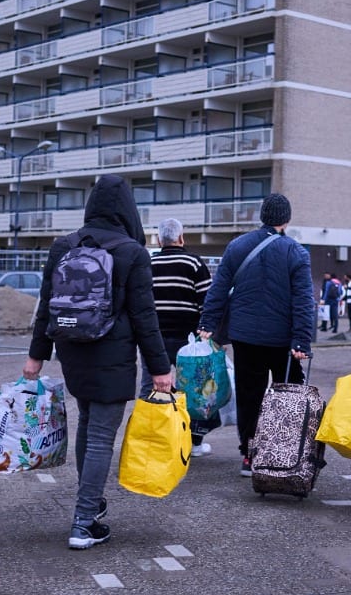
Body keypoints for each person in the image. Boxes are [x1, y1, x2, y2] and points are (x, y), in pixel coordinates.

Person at [25, 176, 173, 550]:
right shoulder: (132, 252)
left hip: (72, 349)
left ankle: (89, 504)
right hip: (112, 352)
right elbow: (145, 317)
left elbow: (46, 306)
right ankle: (84, 521)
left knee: (89, 426)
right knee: (101, 438)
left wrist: (36, 356)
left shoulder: (64, 245)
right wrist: (160, 367)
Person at [196, 192, 315, 476]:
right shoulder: (296, 252)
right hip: (283, 341)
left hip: (245, 336)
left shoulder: (237, 246)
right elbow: (303, 300)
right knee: (287, 394)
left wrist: (207, 323)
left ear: (263, 216)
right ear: (286, 220)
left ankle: (249, 454)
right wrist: (301, 339)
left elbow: (218, 289)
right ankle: (282, 453)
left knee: (250, 396)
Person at [143, 218, 214, 456]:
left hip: (155, 339)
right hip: (188, 340)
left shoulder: (148, 264)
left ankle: (153, 440)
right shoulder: (194, 263)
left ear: (160, 240)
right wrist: (207, 333)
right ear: (181, 238)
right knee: (194, 391)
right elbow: (207, 302)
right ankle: (193, 443)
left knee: (152, 387)